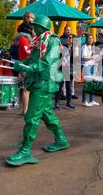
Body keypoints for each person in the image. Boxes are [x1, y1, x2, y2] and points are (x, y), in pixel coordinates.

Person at [7, 15, 70, 166]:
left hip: (45, 83)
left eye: (36, 26)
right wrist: (21, 63)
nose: (33, 28)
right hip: (39, 82)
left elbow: (46, 62)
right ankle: (61, 139)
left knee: (32, 116)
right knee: (47, 113)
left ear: (43, 27)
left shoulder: (53, 41)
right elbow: (33, 58)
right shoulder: (39, 40)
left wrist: (28, 68)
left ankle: (26, 150)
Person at [16, 12, 35, 115]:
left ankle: (27, 109)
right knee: (26, 89)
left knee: (29, 88)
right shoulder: (24, 38)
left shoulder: (27, 38)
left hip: (27, 65)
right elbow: (27, 51)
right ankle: (25, 110)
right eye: (32, 18)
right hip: (25, 65)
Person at [55, 34, 76, 110]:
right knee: (59, 87)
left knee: (69, 87)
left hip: (69, 70)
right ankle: (56, 103)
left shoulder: (74, 49)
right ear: (67, 39)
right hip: (61, 69)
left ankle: (69, 103)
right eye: (69, 38)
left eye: (72, 38)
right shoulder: (62, 47)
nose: (70, 39)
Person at [81, 34, 99, 107]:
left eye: (91, 38)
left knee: (92, 83)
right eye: (89, 38)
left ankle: (92, 100)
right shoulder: (84, 47)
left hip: (92, 65)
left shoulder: (91, 47)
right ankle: (84, 101)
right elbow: (84, 58)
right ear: (86, 39)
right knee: (87, 84)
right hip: (86, 66)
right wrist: (92, 57)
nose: (91, 40)